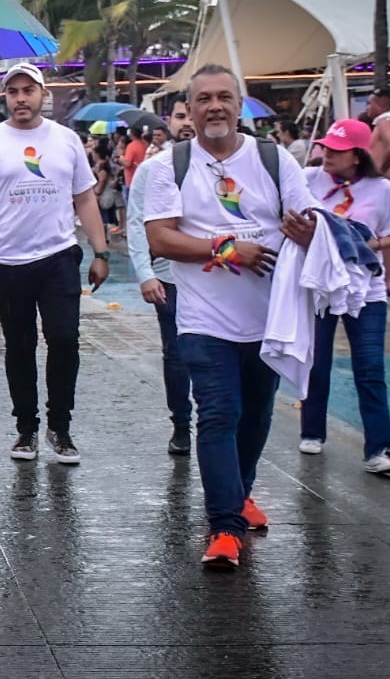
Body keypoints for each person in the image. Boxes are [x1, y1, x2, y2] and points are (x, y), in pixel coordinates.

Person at [145, 63, 320, 568]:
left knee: (256, 414)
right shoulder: (168, 165)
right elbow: (162, 237)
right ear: (191, 109)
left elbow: (309, 219)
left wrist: (306, 232)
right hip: (203, 317)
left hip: (269, 317)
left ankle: (240, 493)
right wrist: (226, 248)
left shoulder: (273, 158)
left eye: (224, 97)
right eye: (204, 99)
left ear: (239, 105)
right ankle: (225, 527)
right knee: (218, 414)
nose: (215, 106)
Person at [0, 63, 110, 465]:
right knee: (19, 346)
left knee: (64, 339)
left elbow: (86, 198)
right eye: (13, 91)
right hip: (6, 261)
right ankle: (26, 427)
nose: (21, 98)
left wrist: (101, 250)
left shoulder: (67, 140)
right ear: (4, 97)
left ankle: (60, 425)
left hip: (58, 256)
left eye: (29, 90)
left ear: (43, 95)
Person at [298, 119, 390, 474]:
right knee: (317, 362)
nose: (326, 154)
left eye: (336, 150)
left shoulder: (382, 189)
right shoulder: (308, 179)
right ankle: (312, 431)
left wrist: (359, 245)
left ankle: (380, 449)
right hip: (322, 287)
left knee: (370, 369)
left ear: (357, 156)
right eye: (325, 147)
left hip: (366, 291)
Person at [127, 102, 196, 454]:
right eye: (180, 116)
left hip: (222, 281)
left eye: (190, 115)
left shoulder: (231, 166)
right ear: (169, 123)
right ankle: (181, 424)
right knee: (177, 354)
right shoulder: (153, 169)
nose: (187, 123)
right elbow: (137, 221)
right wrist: (145, 274)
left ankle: (217, 422)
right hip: (169, 280)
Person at [361, 88, 390, 294]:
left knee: (385, 233)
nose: (368, 107)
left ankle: (387, 281)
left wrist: (379, 171)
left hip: (383, 180)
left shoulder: (383, 121)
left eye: (370, 103)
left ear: (380, 104)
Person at [122, 124, 148, 189]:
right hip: (143, 179)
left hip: (132, 181)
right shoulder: (146, 144)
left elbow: (127, 163)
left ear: (132, 133)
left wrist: (120, 158)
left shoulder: (131, 146)